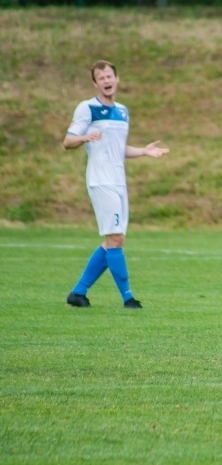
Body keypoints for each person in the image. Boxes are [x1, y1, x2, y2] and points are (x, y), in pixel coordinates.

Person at [63, 60, 169, 309]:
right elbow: (67, 141)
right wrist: (84, 137)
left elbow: (118, 149)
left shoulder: (122, 111)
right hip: (100, 180)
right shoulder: (87, 108)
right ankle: (128, 298)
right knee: (116, 239)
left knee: (113, 240)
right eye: (101, 78)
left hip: (119, 181)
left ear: (117, 79)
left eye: (109, 76)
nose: (106, 81)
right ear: (95, 83)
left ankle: (78, 293)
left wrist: (144, 151)